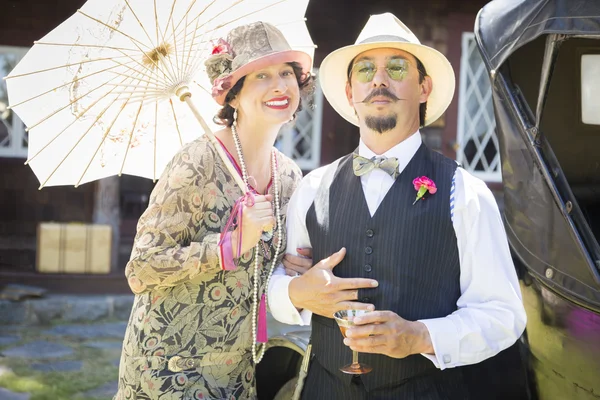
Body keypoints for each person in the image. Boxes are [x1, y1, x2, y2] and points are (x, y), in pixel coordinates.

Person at [268, 13, 528, 399]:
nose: (379, 79)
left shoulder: (466, 193)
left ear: (424, 87)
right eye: (366, 69)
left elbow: (503, 315)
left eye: (396, 67)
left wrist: (421, 336)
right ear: (350, 89)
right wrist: (294, 295)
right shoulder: (312, 189)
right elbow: (278, 283)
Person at [114, 21, 314, 400]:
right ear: (232, 96)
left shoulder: (288, 175)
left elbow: (264, 268)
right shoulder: (197, 162)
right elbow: (140, 269)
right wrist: (228, 245)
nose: (280, 85)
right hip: (168, 367)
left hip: (239, 370)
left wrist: (291, 267)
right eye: (261, 75)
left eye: (287, 72)